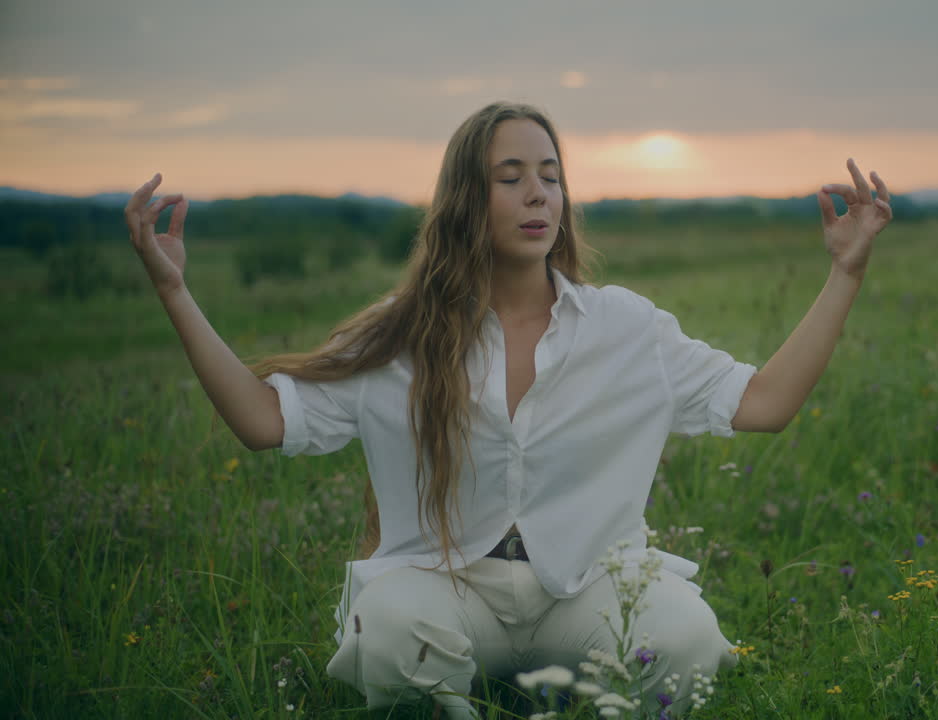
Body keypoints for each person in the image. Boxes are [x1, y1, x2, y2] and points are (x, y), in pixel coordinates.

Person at [122, 101, 892, 718]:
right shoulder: (399, 332)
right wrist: (174, 293)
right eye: (512, 176)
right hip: (448, 591)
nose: (538, 195)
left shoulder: (626, 327)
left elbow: (764, 403)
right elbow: (263, 422)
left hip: (590, 591)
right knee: (389, 631)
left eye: (551, 177)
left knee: (687, 643)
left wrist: (844, 276)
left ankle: (569, 690)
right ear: (466, 197)